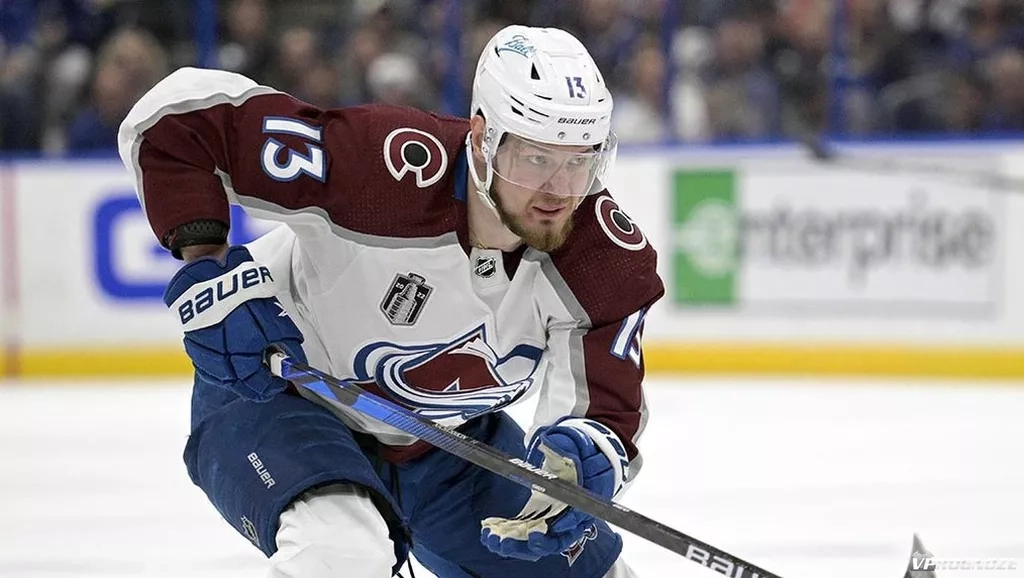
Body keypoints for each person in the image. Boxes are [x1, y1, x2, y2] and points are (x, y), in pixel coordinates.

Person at [117, 24, 664, 578]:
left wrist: (579, 467)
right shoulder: (378, 166)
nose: (560, 191)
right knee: (343, 556)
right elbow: (175, 119)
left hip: (444, 442)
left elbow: (602, 415)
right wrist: (208, 267)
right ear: (482, 137)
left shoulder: (605, 261)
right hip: (278, 397)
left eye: (579, 161)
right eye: (537, 158)